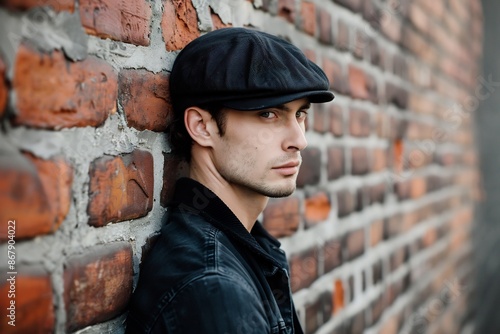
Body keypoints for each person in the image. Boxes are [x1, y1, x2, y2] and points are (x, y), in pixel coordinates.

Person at [125, 27, 334, 334]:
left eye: (300, 114)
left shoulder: (242, 249)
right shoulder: (215, 291)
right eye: (268, 114)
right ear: (202, 127)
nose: (299, 140)